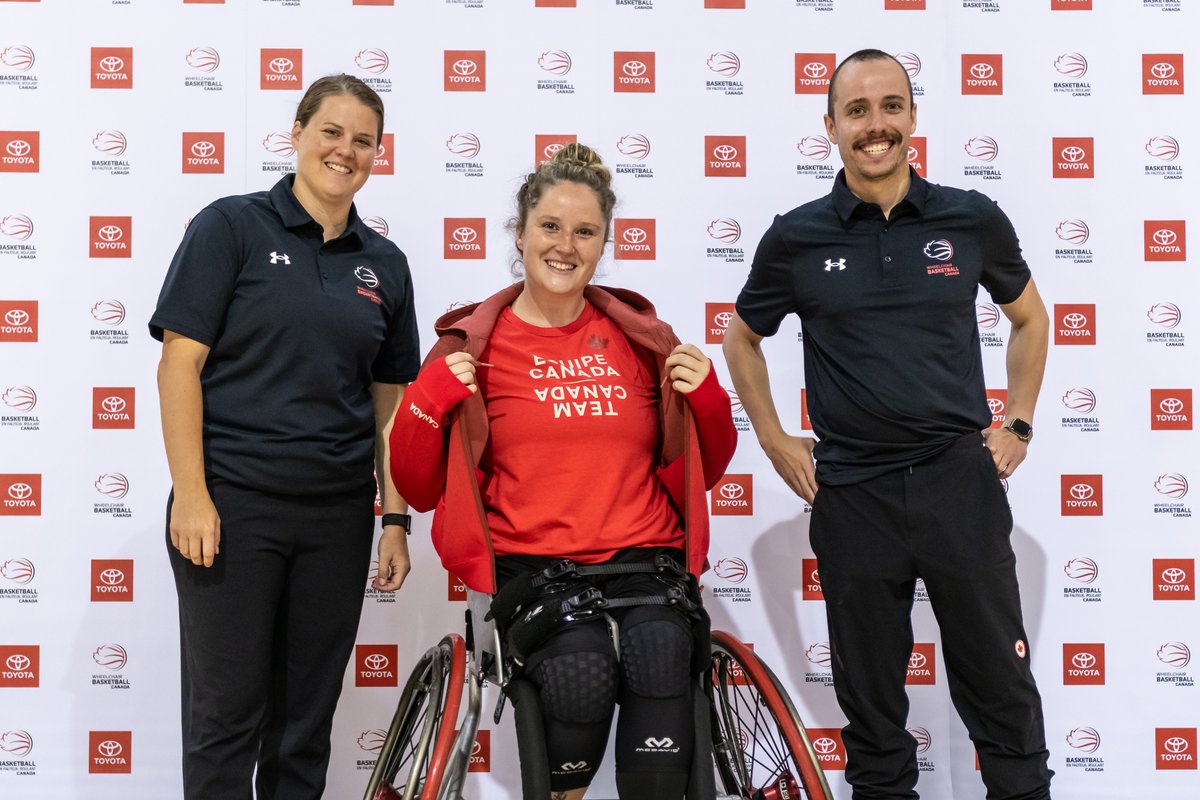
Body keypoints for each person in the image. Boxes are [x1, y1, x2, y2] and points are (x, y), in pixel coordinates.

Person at [723, 50, 1053, 800]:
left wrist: (1020, 425)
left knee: (1002, 690)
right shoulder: (797, 237)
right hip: (854, 495)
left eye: (892, 107)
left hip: (957, 484)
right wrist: (774, 437)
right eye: (859, 111)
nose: (878, 126)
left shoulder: (970, 219)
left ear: (912, 116)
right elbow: (743, 336)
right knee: (872, 711)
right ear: (831, 127)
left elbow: (1030, 318)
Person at [389, 143, 737, 800]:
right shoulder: (472, 347)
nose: (565, 246)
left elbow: (707, 468)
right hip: (538, 573)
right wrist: (426, 402)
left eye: (585, 232)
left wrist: (710, 399)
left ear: (604, 243)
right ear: (519, 233)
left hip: (646, 565)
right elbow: (416, 485)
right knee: (581, 669)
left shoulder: (642, 339)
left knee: (661, 654)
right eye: (550, 227)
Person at [150, 74, 420, 799]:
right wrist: (193, 496)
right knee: (225, 720)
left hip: (336, 519)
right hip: (234, 508)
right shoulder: (231, 227)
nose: (345, 150)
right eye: (331, 131)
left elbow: (390, 405)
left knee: (306, 727)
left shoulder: (386, 266)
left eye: (363, 140)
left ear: (376, 154)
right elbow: (180, 362)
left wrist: (394, 518)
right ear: (296, 133)